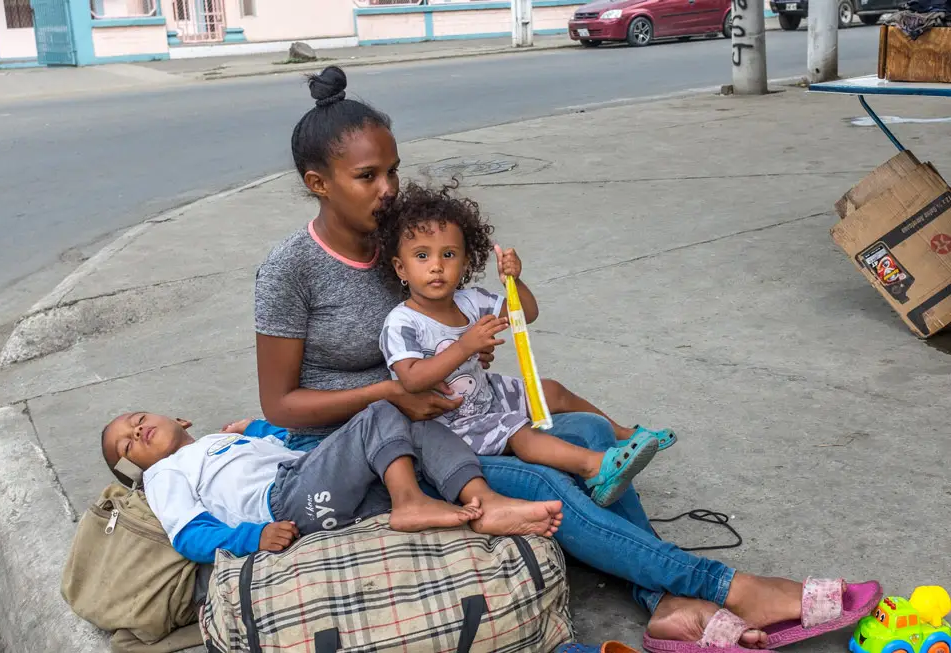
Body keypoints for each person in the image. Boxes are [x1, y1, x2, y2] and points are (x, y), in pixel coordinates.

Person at [253, 65, 881, 650]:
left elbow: (490, 316)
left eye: (393, 169)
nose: (389, 190)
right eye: (368, 178)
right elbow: (281, 405)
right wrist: (389, 395)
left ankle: (663, 598)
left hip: (449, 418)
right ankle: (728, 588)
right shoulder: (292, 270)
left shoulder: (411, 247)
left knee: (580, 431)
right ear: (318, 183)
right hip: (373, 451)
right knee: (548, 481)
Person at [374, 180, 660, 508]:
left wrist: (514, 281)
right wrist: (465, 347)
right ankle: (594, 466)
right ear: (401, 267)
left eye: (449, 254)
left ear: (465, 263)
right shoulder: (402, 322)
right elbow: (410, 379)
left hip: (486, 394)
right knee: (519, 431)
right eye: (422, 255)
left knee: (550, 391)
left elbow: (526, 313)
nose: (436, 265)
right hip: (446, 425)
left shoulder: (471, 301)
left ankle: (626, 435)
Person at [100, 408, 563, 564]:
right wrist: (251, 537)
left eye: (137, 419)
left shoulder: (222, 441)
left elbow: (309, 448)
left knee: (411, 427)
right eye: (126, 444)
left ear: (180, 419)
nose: (135, 431)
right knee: (382, 412)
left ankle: (485, 501)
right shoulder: (165, 473)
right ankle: (408, 502)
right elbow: (189, 533)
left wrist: (256, 429)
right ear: (135, 470)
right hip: (286, 502)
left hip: (322, 491)